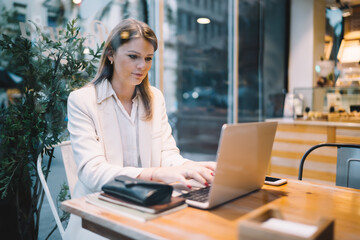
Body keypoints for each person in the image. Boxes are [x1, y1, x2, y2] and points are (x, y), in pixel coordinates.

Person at [64, 18, 216, 239]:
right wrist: (156, 174)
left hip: (149, 206)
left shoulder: (155, 98)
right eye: (133, 57)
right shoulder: (82, 100)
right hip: (99, 213)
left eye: (148, 58)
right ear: (111, 55)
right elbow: (93, 172)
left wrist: (190, 168)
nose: (142, 66)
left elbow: (167, 154)